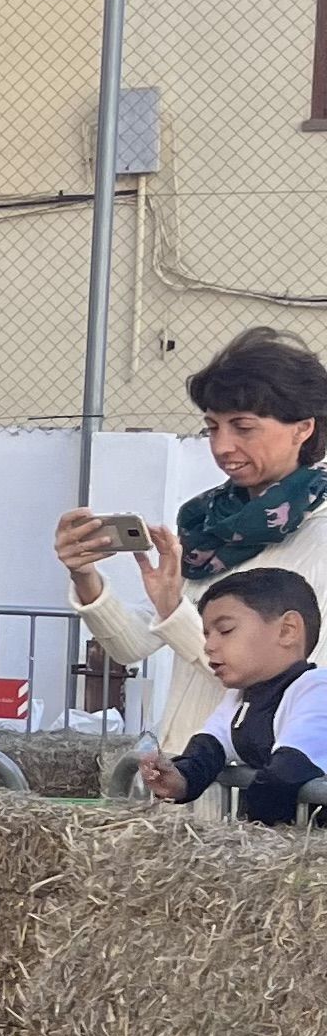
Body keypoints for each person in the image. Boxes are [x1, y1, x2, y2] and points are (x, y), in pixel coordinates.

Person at [56, 326, 327, 765]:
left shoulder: (319, 537)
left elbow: (285, 679)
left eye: (243, 428)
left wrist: (173, 612)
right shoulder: (211, 530)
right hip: (185, 772)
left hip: (258, 789)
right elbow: (131, 647)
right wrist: (85, 576)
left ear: (303, 429)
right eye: (212, 427)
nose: (222, 446)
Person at [137, 567, 327, 825]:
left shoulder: (317, 689)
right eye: (206, 634)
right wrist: (178, 779)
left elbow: (286, 774)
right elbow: (208, 750)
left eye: (225, 630)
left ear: (287, 630)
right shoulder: (240, 698)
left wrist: (241, 843)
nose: (208, 646)